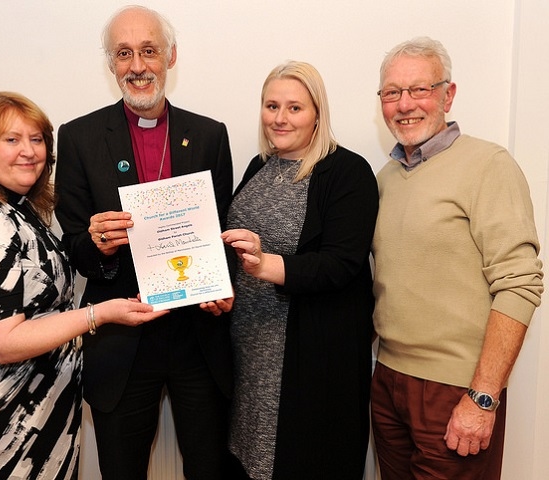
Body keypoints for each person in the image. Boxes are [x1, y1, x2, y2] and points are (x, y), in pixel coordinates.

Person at [0, 92, 167, 479]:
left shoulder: (17, 212)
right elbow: (2, 342)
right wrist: (100, 314)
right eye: (11, 139)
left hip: (35, 414)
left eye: (36, 139)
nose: (29, 151)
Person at [53, 5, 234, 479]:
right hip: (122, 339)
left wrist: (220, 283)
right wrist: (100, 246)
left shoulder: (211, 136)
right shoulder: (77, 138)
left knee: (209, 468)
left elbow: (219, 233)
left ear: (170, 57)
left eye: (149, 51)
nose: (137, 66)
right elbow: (73, 243)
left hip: (198, 337)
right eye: (124, 53)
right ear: (111, 64)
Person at [371, 37, 544, 480]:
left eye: (419, 89)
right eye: (392, 93)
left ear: (448, 94)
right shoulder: (385, 178)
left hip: (456, 390)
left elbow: (519, 282)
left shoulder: (489, 165)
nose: (405, 104)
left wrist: (483, 396)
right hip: (388, 380)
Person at [221, 61, 378, 480]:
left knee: (302, 462)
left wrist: (264, 264)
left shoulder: (347, 171)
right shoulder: (260, 166)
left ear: (317, 114)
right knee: (250, 461)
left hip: (308, 361)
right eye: (271, 105)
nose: (280, 117)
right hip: (250, 351)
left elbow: (341, 263)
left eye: (295, 107)